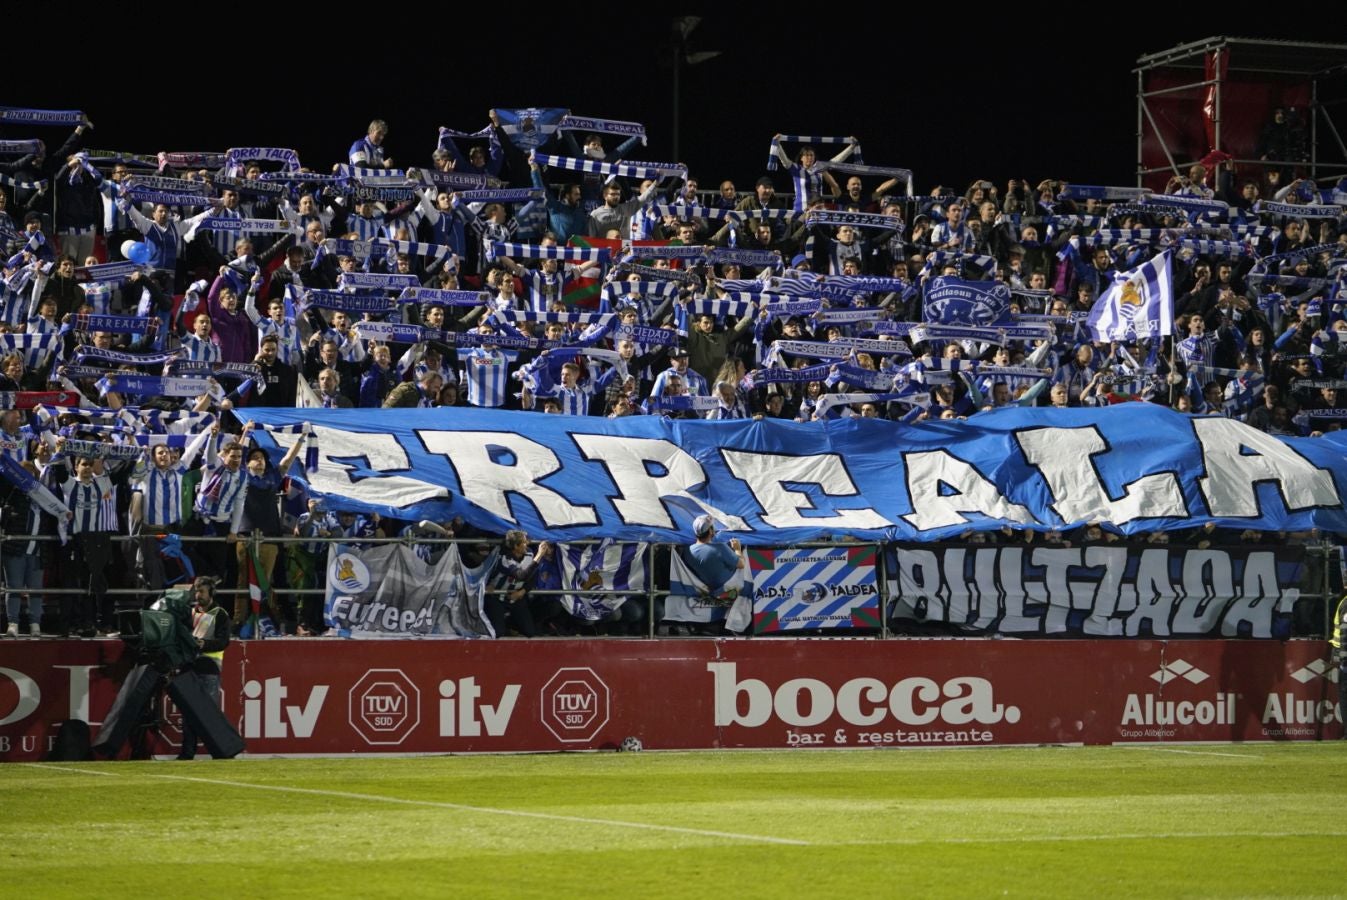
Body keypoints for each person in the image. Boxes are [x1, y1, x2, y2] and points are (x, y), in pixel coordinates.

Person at [177, 576, 231, 761]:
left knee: (208, 715)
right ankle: (187, 753)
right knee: (188, 714)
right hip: (190, 667)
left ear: (211, 593)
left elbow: (223, 642)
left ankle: (219, 752)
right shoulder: (189, 613)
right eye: (197, 591)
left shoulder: (220, 614)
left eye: (202, 592)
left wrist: (202, 644)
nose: (198, 595)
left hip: (209, 668)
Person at [486, 530, 553, 638]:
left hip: (517, 597)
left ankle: (511, 623)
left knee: (530, 632)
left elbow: (533, 576)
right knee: (498, 632)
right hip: (498, 597)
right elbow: (521, 575)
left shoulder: (529, 553)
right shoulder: (505, 559)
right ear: (516, 547)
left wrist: (523, 591)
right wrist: (539, 555)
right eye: (524, 542)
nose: (527, 543)